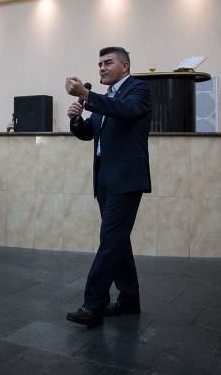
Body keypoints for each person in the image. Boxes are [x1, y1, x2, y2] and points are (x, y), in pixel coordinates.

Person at [64, 46, 152, 328]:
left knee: (110, 240)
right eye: (99, 63)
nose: (101, 67)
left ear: (125, 66)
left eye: (107, 62)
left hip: (126, 179)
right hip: (104, 179)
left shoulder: (137, 89)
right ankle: (128, 299)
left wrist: (87, 96)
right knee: (118, 240)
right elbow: (90, 133)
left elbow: (126, 112)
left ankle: (93, 304)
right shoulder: (106, 98)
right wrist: (76, 119)